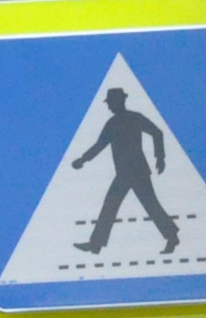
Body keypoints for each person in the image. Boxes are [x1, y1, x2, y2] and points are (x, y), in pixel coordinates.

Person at [71, 87, 179, 256]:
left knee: (148, 205)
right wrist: (83, 160)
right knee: (112, 205)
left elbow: (157, 133)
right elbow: (100, 145)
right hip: (125, 173)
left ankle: (171, 236)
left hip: (137, 172)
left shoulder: (133, 119)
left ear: (118, 102)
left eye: (111, 103)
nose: (109, 107)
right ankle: (96, 244)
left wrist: (160, 157)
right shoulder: (113, 123)